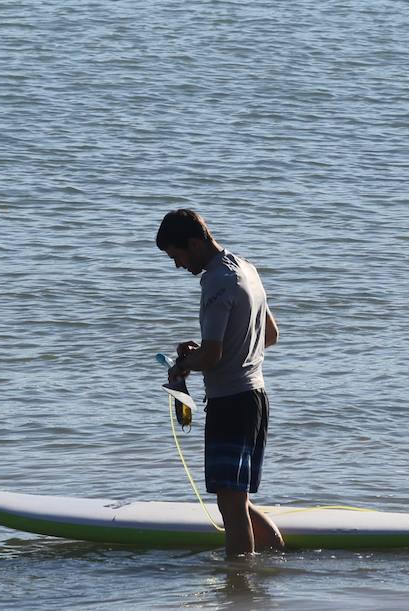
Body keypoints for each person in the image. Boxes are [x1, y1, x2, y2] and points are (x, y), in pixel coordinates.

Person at [157, 208, 285, 558]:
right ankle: (275, 562)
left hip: (231, 403)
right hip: (256, 398)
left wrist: (182, 365)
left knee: (230, 507)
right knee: (236, 500)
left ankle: (239, 586)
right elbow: (269, 335)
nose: (177, 265)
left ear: (194, 243)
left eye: (177, 255)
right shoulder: (247, 269)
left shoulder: (215, 281)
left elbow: (212, 358)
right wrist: (213, 350)